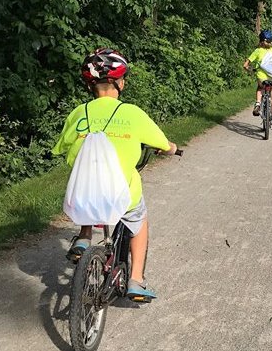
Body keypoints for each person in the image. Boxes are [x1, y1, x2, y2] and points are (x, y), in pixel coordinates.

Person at [52, 48, 179, 301]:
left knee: (90, 187)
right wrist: (172, 149)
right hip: (122, 194)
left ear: (90, 84)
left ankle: (84, 237)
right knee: (139, 220)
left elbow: (62, 149)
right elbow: (163, 144)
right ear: (120, 83)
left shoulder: (78, 113)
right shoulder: (132, 113)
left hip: (83, 194)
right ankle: (136, 280)